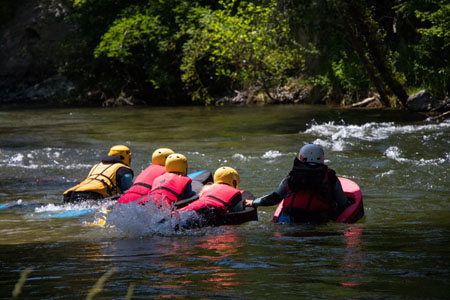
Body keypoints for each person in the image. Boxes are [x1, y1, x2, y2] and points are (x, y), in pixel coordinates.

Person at [244, 144, 349, 223]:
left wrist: (254, 202)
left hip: (291, 219)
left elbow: (274, 198)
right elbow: (343, 203)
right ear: (322, 158)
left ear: (301, 158)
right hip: (318, 222)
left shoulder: (292, 177)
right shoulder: (331, 178)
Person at [63, 145, 134, 203]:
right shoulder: (124, 170)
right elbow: (128, 192)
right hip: (90, 197)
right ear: (125, 157)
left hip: (69, 195)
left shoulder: (97, 166)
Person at [179, 166, 243, 227]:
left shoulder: (207, 188)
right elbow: (238, 211)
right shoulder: (236, 193)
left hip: (193, 208)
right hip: (211, 213)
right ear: (234, 182)